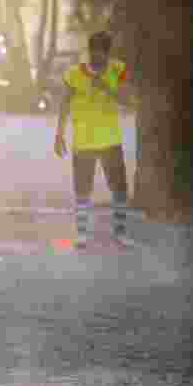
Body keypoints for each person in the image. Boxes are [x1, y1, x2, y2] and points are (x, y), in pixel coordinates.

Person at [55, 31, 133, 248]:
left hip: (110, 139)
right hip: (84, 141)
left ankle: (120, 233)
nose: (98, 58)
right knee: (82, 189)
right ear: (89, 52)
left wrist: (107, 88)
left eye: (102, 54)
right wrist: (59, 133)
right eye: (94, 53)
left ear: (108, 53)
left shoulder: (118, 70)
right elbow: (64, 103)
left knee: (119, 189)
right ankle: (82, 235)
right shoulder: (74, 73)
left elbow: (128, 100)